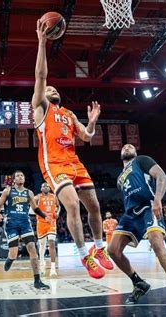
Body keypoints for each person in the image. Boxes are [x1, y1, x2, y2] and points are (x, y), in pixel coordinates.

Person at [32, 19, 113, 279]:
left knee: (95, 207)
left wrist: (91, 123)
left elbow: (87, 137)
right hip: (53, 164)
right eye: (48, 89)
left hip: (74, 163)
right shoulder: (41, 109)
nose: (51, 89)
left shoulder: (68, 114)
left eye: (54, 89)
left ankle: (99, 249)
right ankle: (83, 255)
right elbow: (41, 76)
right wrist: (42, 43)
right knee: (73, 207)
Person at [107, 144, 166, 310]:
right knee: (113, 250)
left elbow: (162, 176)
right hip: (130, 214)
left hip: (148, 206)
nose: (127, 146)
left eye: (130, 146)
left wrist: (158, 200)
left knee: (156, 243)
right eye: (124, 146)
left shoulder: (141, 160)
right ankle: (139, 283)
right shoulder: (119, 179)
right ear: (120, 154)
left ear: (135, 152)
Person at [0, 170, 52, 289]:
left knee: (32, 249)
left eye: (22, 175)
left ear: (24, 179)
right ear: (14, 180)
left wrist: (45, 216)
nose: (20, 177)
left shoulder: (29, 193)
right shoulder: (8, 190)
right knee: (14, 253)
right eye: (18, 176)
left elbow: (35, 209)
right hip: (11, 224)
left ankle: (37, 280)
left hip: (25, 223)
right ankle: (10, 259)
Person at [34, 182, 60, 277]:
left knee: (52, 243)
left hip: (51, 222)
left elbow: (58, 206)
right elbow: (31, 203)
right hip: (41, 223)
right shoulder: (38, 197)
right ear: (41, 188)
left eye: (47, 186)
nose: (46, 187)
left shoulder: (54, 196)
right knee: (42, 246)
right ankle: (42, 264)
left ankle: (53, 269)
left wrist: (57, 212)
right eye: (43, 186)